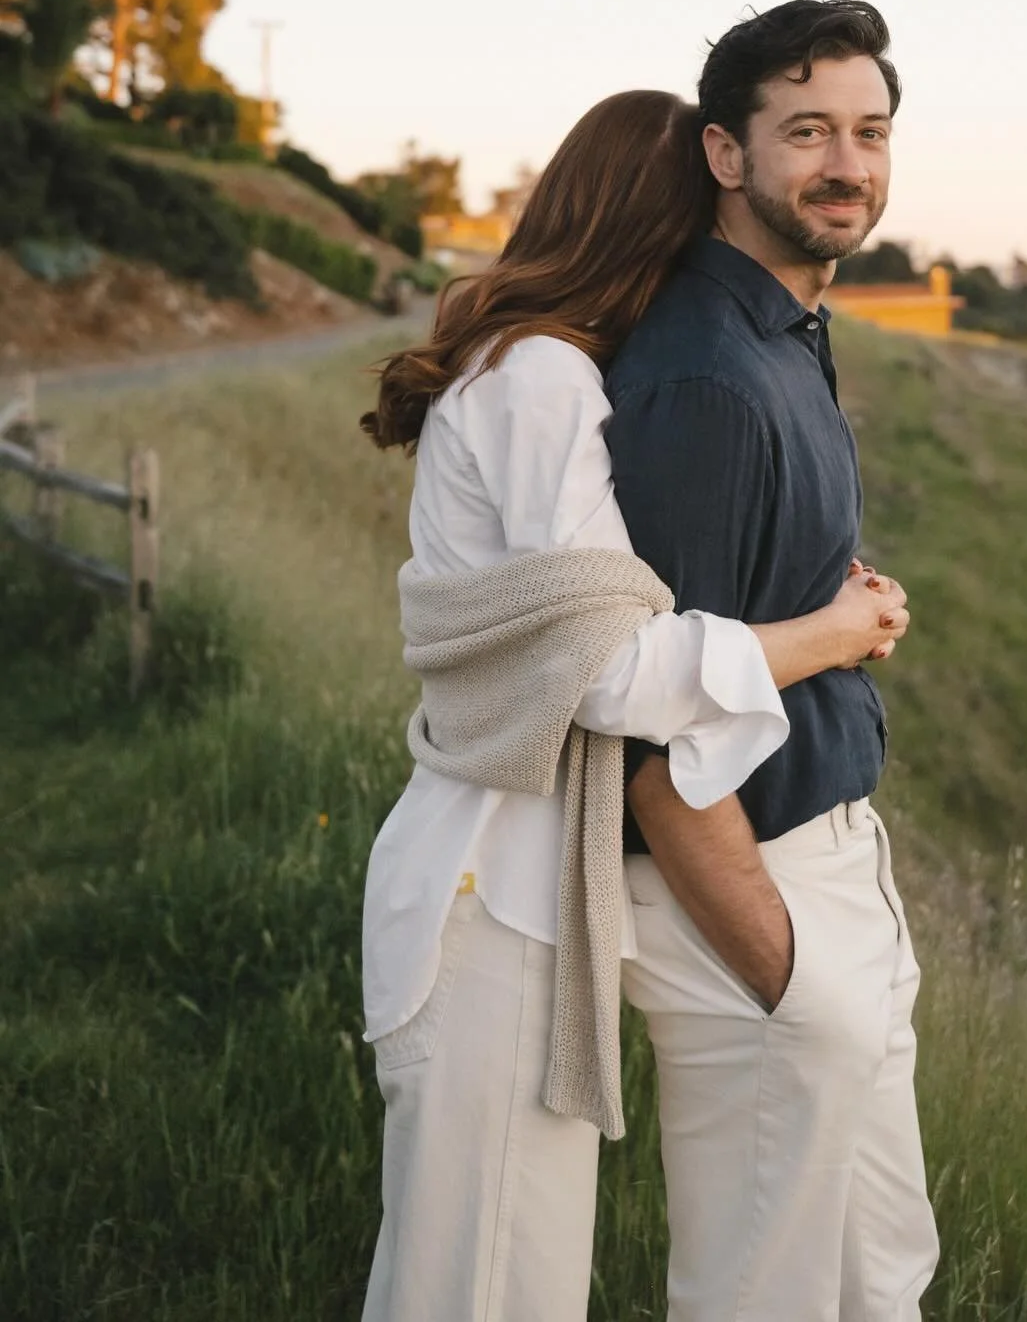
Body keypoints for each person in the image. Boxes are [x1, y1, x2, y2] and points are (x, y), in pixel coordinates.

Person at [356, 86, 911, 1322]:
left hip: (511, 890)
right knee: (481, 1288)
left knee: (501, 1277)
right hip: (488, 897)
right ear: (652, 226)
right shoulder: (542, 377)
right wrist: (828, 636)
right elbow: (609, 675)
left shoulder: (528, 366)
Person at [608, 0, 941, 1321]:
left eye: (868, 131)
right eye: (806, 130)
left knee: (877, 1280)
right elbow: (646, 729)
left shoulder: (784, 336)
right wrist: (785, 979)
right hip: (745, 897)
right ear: (726, 155)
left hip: (832, 874)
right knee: (768, 1297)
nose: (846, 163)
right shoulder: (702, 379)